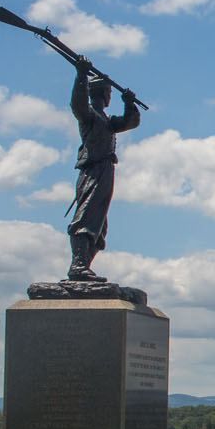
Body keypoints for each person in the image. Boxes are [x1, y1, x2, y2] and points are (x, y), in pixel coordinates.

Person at [66, 54, 140, 282]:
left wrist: (129, 103)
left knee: (99, 223)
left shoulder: (108, 121)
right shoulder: (89, 116)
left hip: (106, 171)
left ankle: (84, 264)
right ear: (102, 94)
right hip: (93, 169)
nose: (110, 97)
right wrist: (81, 75)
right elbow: (76, 104)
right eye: (108, 93)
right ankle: (78, 265)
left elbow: (131, 122)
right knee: (87, 216)